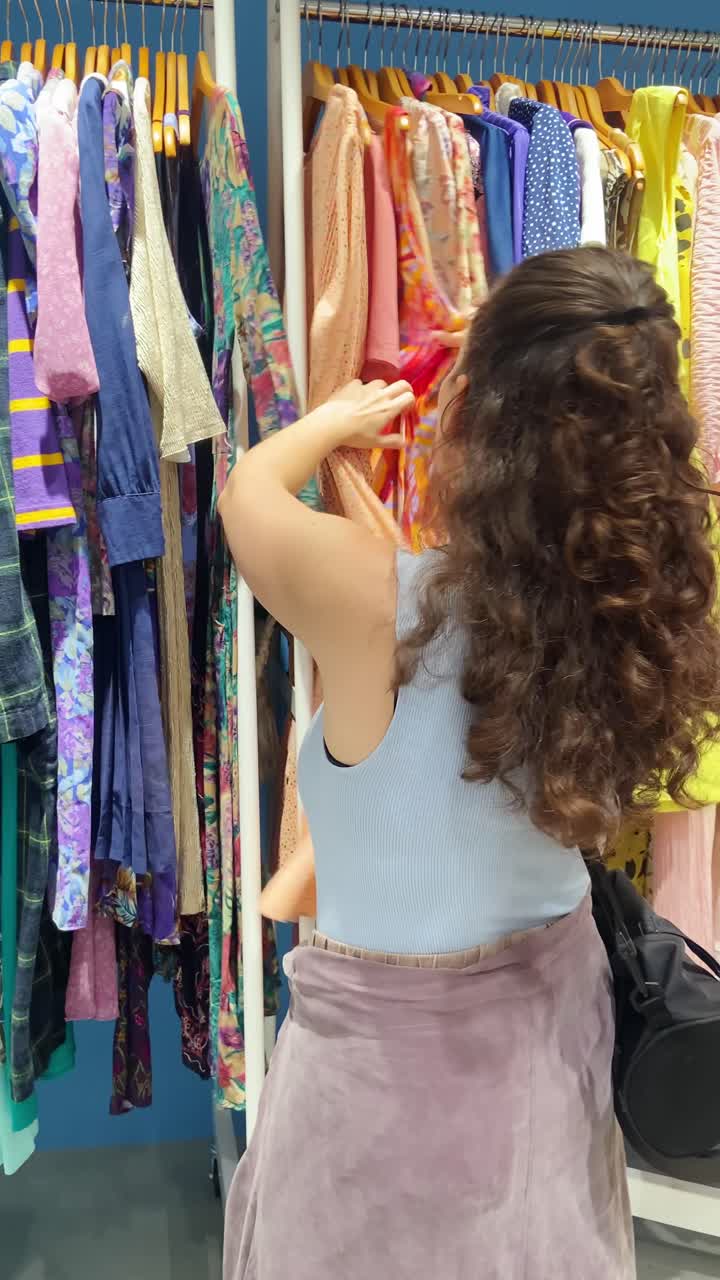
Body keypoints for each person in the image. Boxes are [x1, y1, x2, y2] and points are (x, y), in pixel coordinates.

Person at [218, 246, 720, 1280]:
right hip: (545, 1058)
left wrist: (334, 425)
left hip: (385, 1098)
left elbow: (247, 495)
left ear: (485, 418)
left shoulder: (379, 606)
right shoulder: (643, 613)